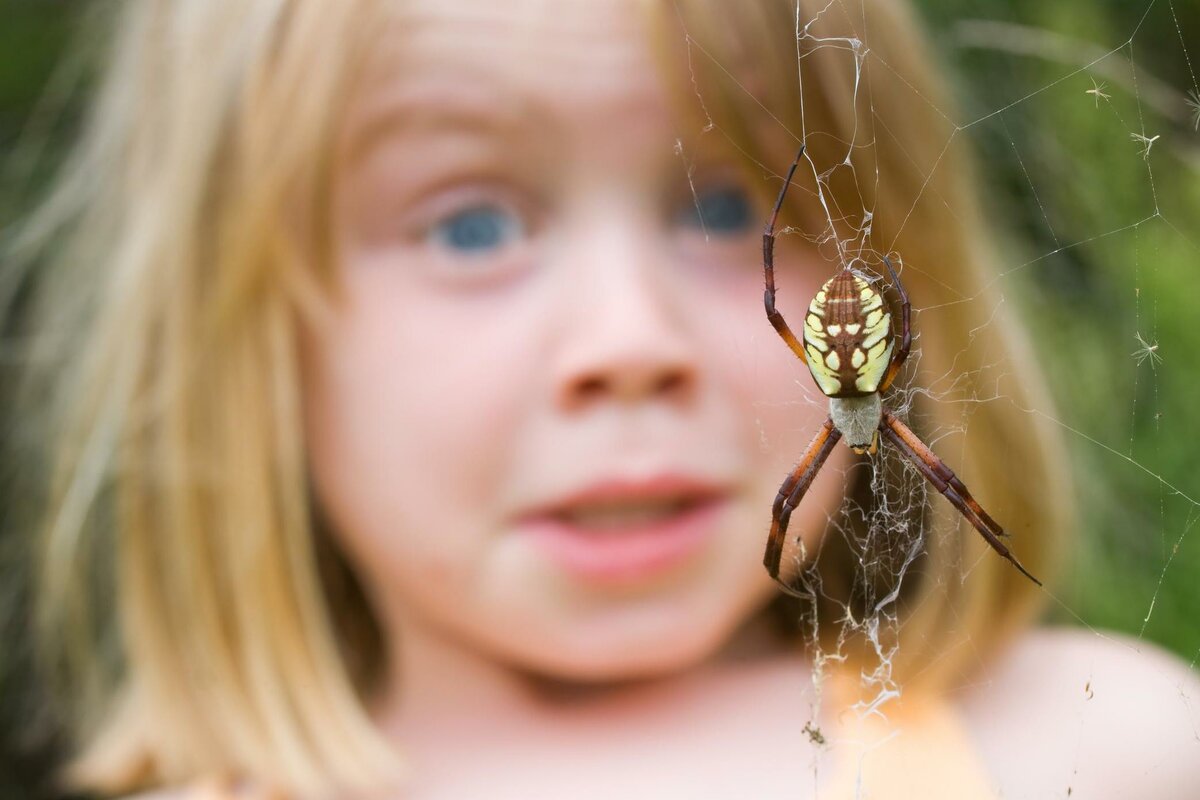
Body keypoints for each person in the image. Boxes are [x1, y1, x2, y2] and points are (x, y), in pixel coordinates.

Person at [5, 0, 1198, 798]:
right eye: (472, 225)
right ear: (247, 348)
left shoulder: (1096, 743)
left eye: (730, 208)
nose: (631, 344)